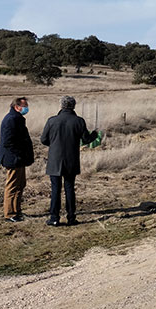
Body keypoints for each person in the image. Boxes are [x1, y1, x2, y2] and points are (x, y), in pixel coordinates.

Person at [40, 96, 98, 226]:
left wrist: (54, 144)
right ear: (74, 106)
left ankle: (54, 217)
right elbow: (86, 140)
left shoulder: (52, 121)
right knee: (69, 188)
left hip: (55, 160)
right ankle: (71, 217)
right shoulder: (79, 121)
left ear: (61, 106)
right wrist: (94, 134)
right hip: (71, 159)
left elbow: (43, 139)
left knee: (55, 189)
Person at [0, 97, 34, 222]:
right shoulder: (11, 119)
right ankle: (10, 213)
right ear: (16, 106)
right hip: (13, 159)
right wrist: (18, 154)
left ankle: (17, 211)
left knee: (20, 184)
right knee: (12, 186)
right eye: (24, 105)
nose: (26, 108)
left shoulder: (17, 119)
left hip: (19, 159)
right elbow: (8, 141)